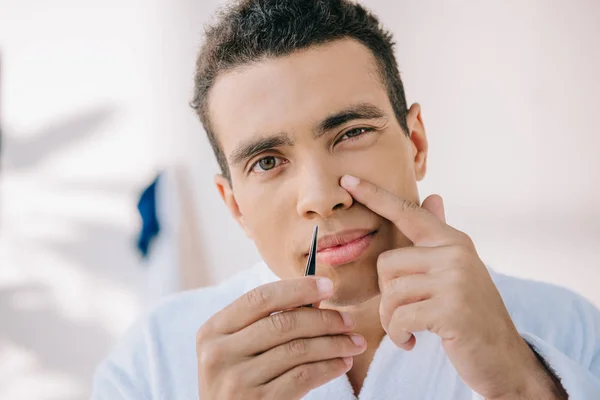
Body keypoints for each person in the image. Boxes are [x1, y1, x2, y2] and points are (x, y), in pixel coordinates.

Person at [92, 0, 600, 398]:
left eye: (352, 132)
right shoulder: (151, 363)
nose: (320, 197)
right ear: (235, 206)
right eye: (267, 161)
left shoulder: (569, 330)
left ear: (416, 143)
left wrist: (525, 386)